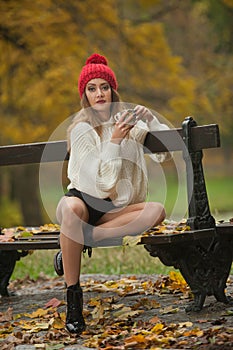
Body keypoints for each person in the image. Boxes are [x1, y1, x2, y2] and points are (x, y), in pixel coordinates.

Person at [54, 53, 170, 335]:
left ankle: (82, 239)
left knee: (157, 211)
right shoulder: (81, 129)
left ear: (112, 90)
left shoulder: (126, 121)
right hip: (82, 201)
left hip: (113, 211)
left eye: (104, 87)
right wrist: (115, 140)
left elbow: (165, 155)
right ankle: (73, 300)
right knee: (71, 212)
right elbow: (101, 183)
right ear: (85, 95)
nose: (99, 93)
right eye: (92, 89)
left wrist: (152, 121)